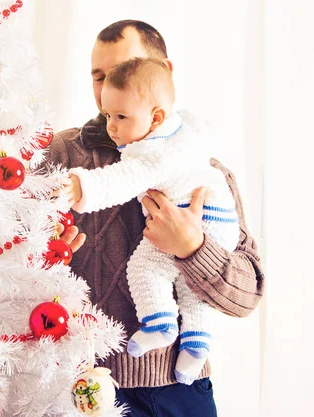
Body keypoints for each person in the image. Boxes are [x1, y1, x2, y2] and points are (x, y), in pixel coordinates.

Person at [50, 20, 264, 417]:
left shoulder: (202, 168)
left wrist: (194, 249)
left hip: (179, 390)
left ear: (163, 73)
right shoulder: (60, 156)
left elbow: (248, 294)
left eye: (123, 69)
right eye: (99, 76)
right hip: (80, 388)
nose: (107, 87)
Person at [62, 56, 240, 385]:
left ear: (156, 116)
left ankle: (160, 324)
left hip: (201, 220)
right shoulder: (184, 132)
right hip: (220, 218)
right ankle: (196, 343)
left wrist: (81, 186)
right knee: (190, 288)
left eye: (120, 116)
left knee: (146, 268)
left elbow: (121, 179)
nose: (111, 125)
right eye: (107, 114)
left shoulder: (153, 154)